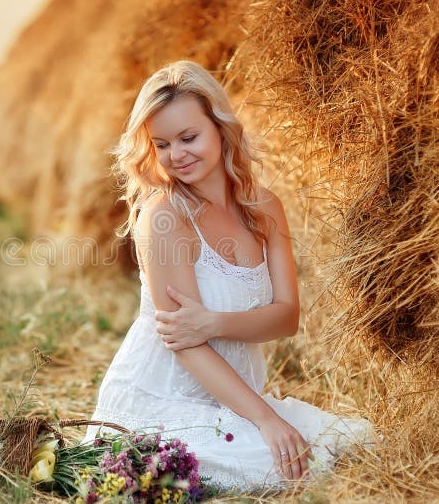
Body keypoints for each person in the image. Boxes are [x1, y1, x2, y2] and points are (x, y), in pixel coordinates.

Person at [81, 60, 379, 494]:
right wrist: (266, 419)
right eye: (162, 144)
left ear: (220, 127)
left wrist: (215, 323)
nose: (176, 155)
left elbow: (286, 317)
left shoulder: (265, 207)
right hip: (161, 402)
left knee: (351, 441)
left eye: (188, 137)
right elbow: (185, 344)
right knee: (292, 465)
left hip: (235, 402)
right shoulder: (164, 217)